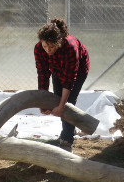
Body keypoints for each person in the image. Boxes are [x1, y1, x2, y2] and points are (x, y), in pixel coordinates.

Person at [34, 18, 90, 150]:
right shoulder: (38, 49)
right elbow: (43, 74)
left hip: (78, 70)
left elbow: (69, 80)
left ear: (59, 42)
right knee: (57, 98)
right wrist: (43, 102)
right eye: (45, 46)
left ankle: (66, 140)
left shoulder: (70, 48)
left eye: (52, 46)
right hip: (57, 69)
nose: (48, 49)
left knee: (68, 102)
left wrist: (61, 106)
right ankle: (69, 131)